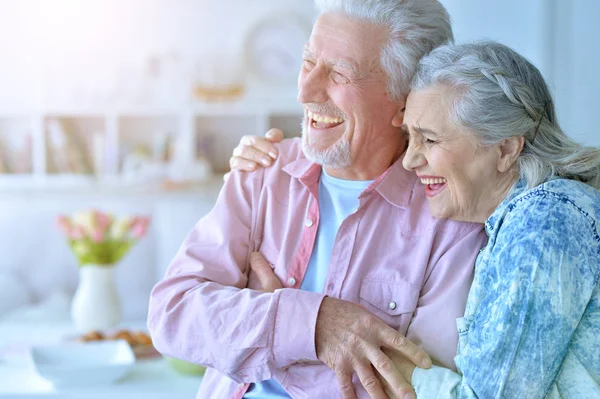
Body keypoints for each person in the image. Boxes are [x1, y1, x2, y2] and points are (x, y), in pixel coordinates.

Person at [147, 1, 488, 398]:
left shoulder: (449, 217)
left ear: (405, 102)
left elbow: (415, 386)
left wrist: (260, 324)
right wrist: (312, 323)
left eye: (340, 74)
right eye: (308, 61)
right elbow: (172, 315)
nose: (305, 90)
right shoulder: (262, 172)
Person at [229, 41, 600, 398]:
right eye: (409, 138)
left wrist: (321, 332)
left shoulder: (547, 220)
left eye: (430, 141)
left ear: (505, 148)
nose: (410, 160)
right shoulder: (513, 222)